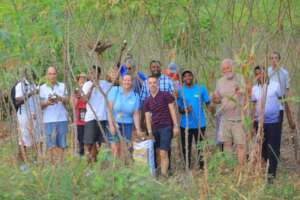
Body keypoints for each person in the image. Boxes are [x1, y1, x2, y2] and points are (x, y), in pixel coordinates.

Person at [144, 75, 179, 177]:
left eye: (154, 82)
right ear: (147, 85)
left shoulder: (165, 95)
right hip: (154, 129)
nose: (152, 85)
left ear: (158, 83)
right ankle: (158, 173)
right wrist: (149, 132)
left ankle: (164, 175)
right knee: (158, 152)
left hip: (166, 127)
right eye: (150, 83)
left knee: (164, 152)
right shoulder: (147, 101)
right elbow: (147, 118)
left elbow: (172, 110)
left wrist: (176, 126)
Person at [212, 58, 246, 166]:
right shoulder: (220, 81)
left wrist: (241, 91)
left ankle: (241, 169)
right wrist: (214, 98)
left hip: (239, 119)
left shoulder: (240, 78)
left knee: (241, 145)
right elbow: (217, 99)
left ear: (233, 67)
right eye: (224, 69)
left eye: (228, 67)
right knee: (227, 144)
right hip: (225, 118)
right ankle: (231, 167)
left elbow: (246, 93)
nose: (226, 70)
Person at [252, 66, 282, 183]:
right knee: (262, 148)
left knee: (272, 147)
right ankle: (263, 169)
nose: (260, 75)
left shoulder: (275, 85)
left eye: (261, 72)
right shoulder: (255, 89)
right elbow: (252, 104)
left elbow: (282, 100)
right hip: (259, 123)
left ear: (266, 73)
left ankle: (271, 175)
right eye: (257, 73)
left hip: (273, 122)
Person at [177, 70, 210, 169]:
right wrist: (185, 110)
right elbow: (179, 109)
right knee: (186, 147)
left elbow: (208, 103)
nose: (187, 78)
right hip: (185, 125)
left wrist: (212, 110)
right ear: (182, 79)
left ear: (193, 77)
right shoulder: (180, 91)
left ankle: (202, 167)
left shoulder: (201, 89)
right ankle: (187, 167)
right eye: (185, 76)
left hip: (200, 124)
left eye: (189, 76)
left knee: (200, 146)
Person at [107, 73, 142, 157]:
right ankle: (115, 167)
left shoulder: (135, 96)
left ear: (132, 82)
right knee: (115, 149)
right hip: (115, 123)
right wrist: (111, 125)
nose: (127, 82)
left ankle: (123, 167)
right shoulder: (115, 90)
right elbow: (109, 110)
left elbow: (136, 114)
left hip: (127, 125)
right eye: (125, 80)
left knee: (125, 149)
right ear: (122, 81)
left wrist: (138, 129)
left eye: (129, 80)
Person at [82, 65, 112, 163]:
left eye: (95, 73)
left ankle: (94, 162)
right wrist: (92, 87)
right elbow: (84, 100)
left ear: (99, 74)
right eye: (91, 73)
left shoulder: (105, 84)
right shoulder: (86, 85)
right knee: (88, 143)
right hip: (91, 118)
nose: (93, 75)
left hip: (103, 118)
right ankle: (87, 163)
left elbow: (116, 81)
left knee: (98, 144)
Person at [39, 66, 68, 164]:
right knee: (50, 144)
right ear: (47, 75)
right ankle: (52, 164)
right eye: (50, 74)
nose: (52, 76)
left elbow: (67, 101)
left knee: (62, 142)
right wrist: (47, 102)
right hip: (48, 119)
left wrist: (60, 98)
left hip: (61, 118)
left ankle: (61, 163)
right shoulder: (42, 88)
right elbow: (40, 105)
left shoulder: (62, 86)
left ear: (57, 74)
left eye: (54, 73)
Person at [15, 68, 41, 167]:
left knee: (34, 139)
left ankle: (34, 161)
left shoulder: (34, 85)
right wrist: (31, 93)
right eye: (30, 74)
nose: (33, 75)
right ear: (26, 75)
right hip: (24, 117)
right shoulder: (20, 85)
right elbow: (17, 101)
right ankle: (23, 164)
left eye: (33, 73)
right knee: (23, 141)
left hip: (34, 117)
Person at [267, 51, 290, 131]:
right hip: (268, 104)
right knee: (268, 126)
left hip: (279, 104)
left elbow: (287, 89)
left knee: (278, 126)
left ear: (279, 59)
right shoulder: (267, 72)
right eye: (272, 58)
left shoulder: (284, 73)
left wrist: (286, 101)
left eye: (276, 58)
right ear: (270, 60)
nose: (274, 60)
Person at [72, 73, 87, 156]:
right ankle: (81, 154)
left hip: (89, 116)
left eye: (84, 78)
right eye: (80, 79)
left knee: (89, 138)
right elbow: (73, 105)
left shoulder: (88, 89)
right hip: (79, 118)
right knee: (80, 138)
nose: (82, 80)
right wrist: (77, 96)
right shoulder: (75, 91)